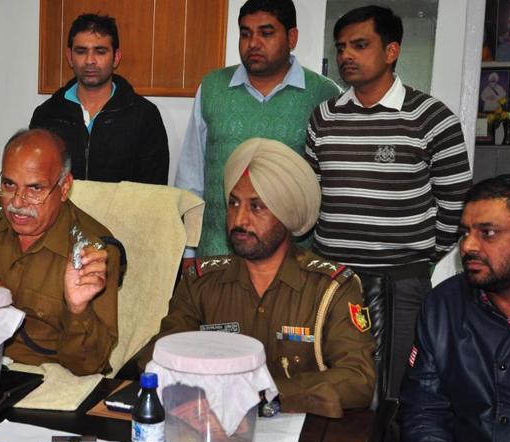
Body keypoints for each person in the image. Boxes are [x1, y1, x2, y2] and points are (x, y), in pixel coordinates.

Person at [305, 5, 472, 397]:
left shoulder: (431, 117)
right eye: (342, 46)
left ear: (391, 51)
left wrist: (424, 255)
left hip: (401, 284)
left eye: (359, 45)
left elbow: (458, 202)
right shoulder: (323, 118)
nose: (346, 55)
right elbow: (310, 195)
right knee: (330, 381)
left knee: (393, 392)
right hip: (333, 279)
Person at [141, 138, 375, 417]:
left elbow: (359, 379)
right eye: (233, 203)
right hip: (212, 432)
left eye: (257, 207)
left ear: (287, 214)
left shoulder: (331, 289)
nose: (239, 220)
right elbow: (158, 356)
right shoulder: (200, 282)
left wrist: (267, 394)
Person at [0, 129, 123, 376]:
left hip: (47, 378)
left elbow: (90, 366)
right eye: (9, 184)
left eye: (35, 188)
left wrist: (77, 309)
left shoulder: (92, 252)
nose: (17, 202)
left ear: (64, 187)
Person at [176, 0, 340, 257]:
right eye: (245, 33)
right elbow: (190, 180)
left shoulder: (323, 94)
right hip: (217, 254)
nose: (253, 43)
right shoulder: (212, 88)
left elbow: (333, 186)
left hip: (291, 263)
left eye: (266, 33)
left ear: (292, 37)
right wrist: (187, 252)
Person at [400, 175, 510, 442]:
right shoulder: (443, 305)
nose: (467, 245)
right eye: (465, 232)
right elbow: (424, 409)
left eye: (488, 233)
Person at [30, 14, 169, 184]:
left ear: (116, 57)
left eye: (100, 52)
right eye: (81, 51)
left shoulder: (144, 116)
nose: (90, 60)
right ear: (69, 57)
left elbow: (154, 191)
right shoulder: (47, 115)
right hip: (63, 211)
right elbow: (35, 182)